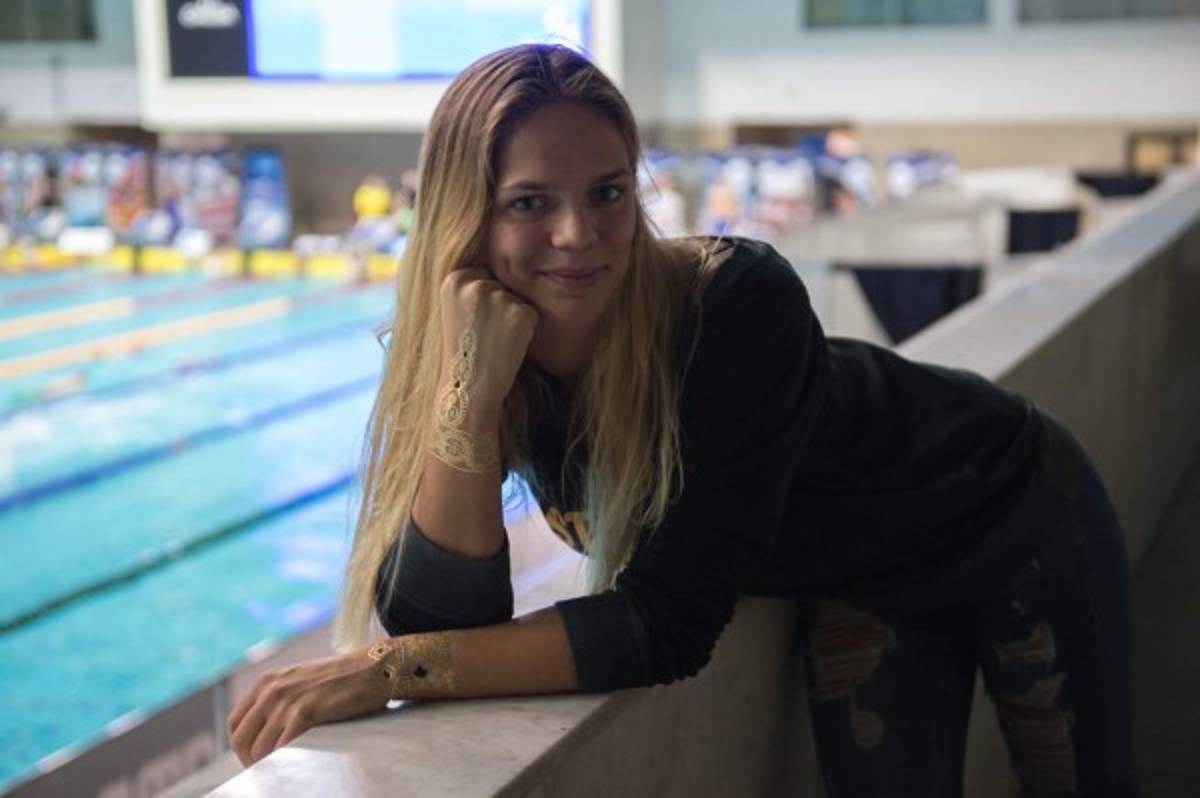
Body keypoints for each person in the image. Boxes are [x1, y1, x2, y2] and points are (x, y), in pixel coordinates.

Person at [227, 44, 1139, 796]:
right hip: (860, 578)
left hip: (1009, 509)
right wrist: (467, 392)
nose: (579, 236)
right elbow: (442, 615)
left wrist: (385, 669)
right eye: (530, 202)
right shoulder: (481, 342)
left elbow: (664, 625)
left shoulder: (735, 303)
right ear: (466, 217)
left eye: (608, 193)